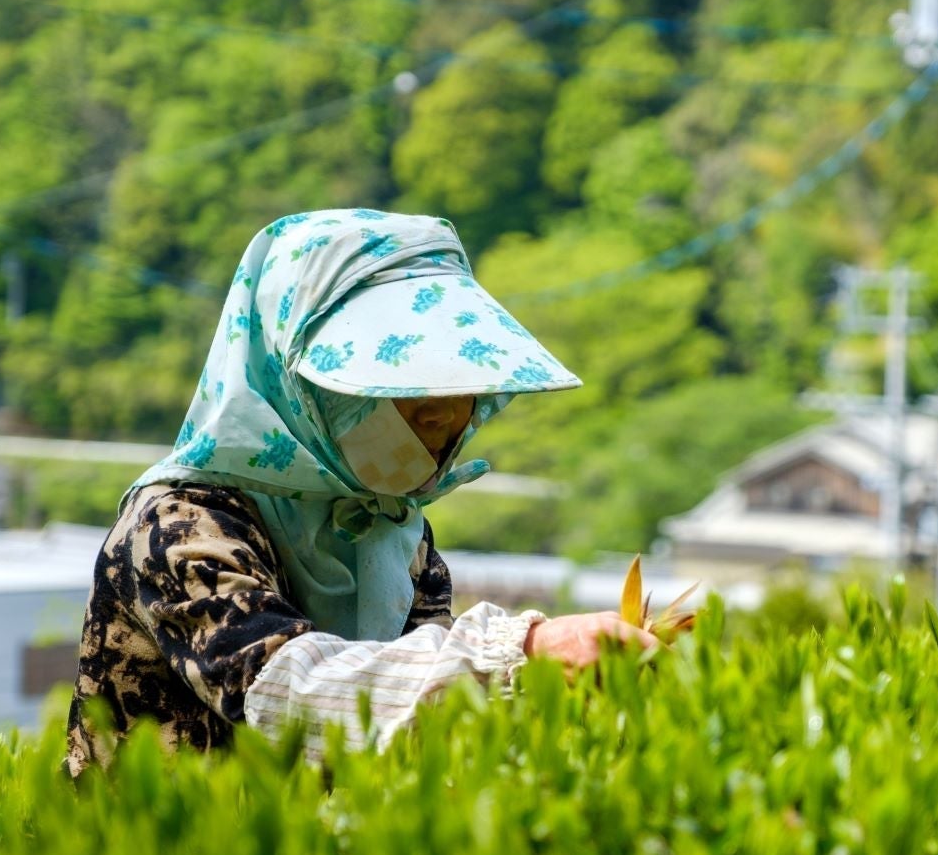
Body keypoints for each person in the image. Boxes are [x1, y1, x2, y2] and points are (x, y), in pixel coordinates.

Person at [63, 210, 657, 777]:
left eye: (457, 379)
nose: (445, 413)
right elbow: (283, 691)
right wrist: (518, 652)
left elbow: (423, 713)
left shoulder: (393, 528)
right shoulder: (180, 527)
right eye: (400, 380)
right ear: (299, 384)